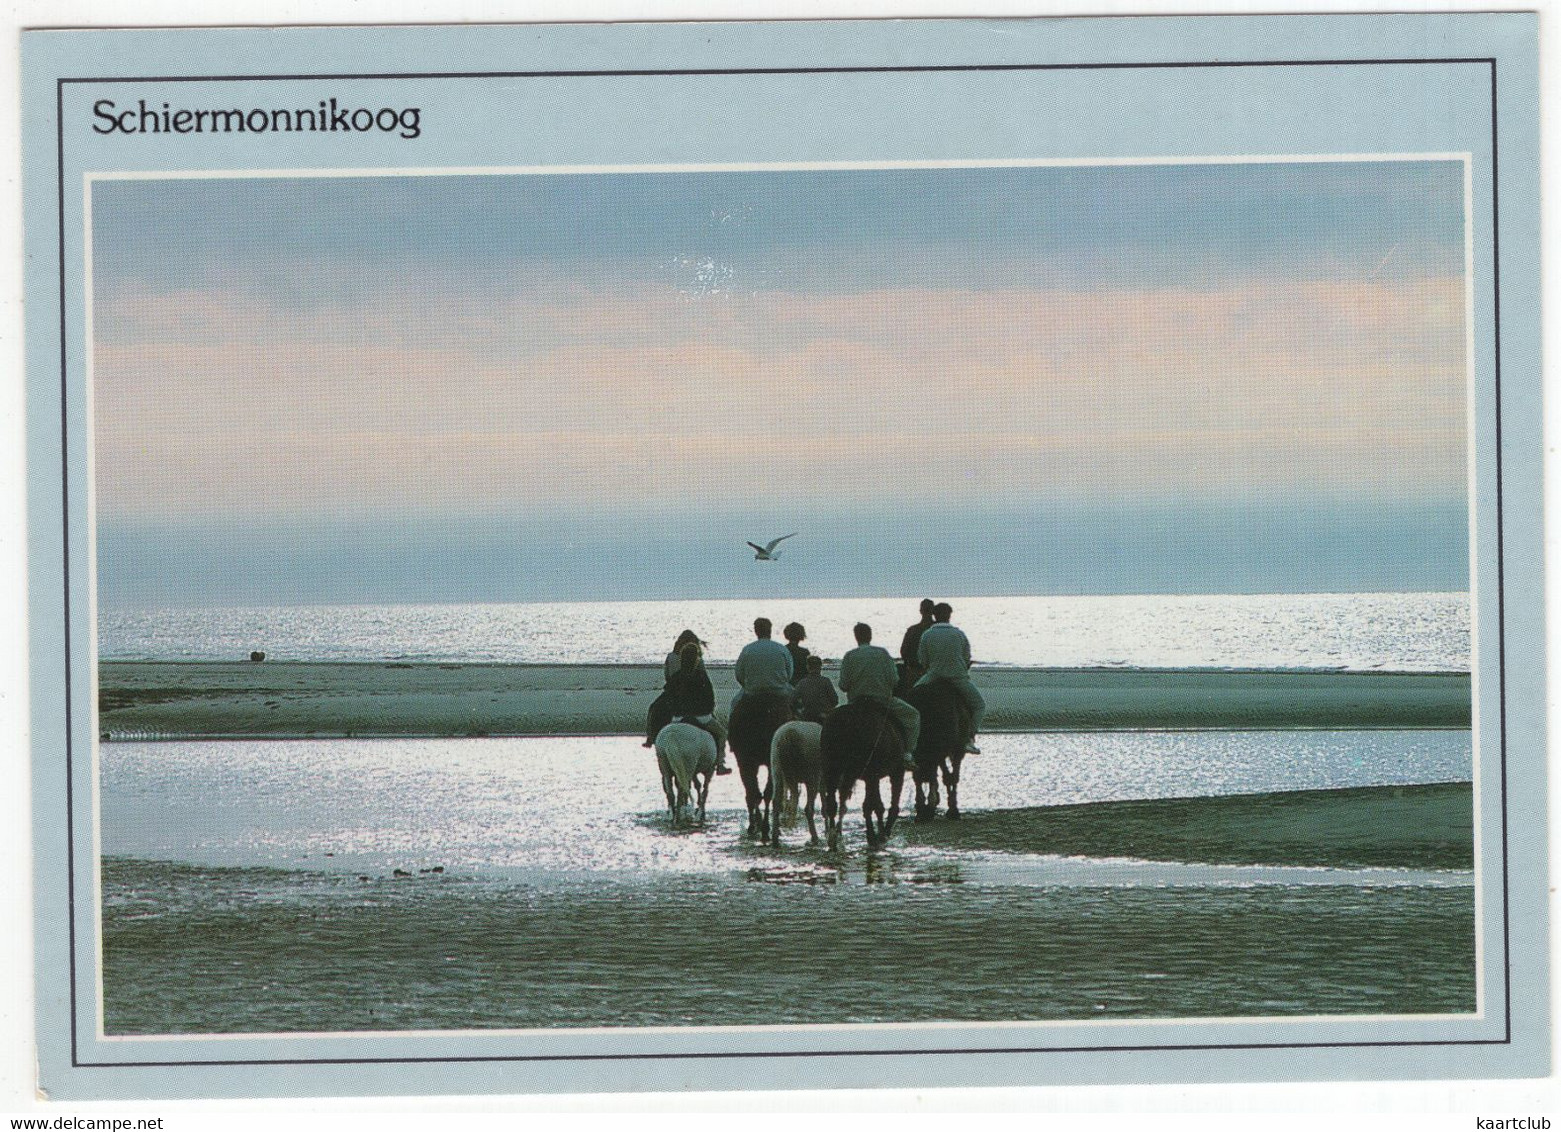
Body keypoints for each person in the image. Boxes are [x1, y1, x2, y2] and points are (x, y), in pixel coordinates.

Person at [838, 622, 920, 769]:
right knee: (913, 716)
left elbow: (843, 685)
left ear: (856, 637)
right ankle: (908, 753)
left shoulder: (850, 655)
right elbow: (894, 680)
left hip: (856, 703)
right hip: (882, 701)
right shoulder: (882, 653)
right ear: (870, 635)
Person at [916, 602, 986, 754]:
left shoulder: (927, 635)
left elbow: (923, 660)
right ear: (949, 616)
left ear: (935, 616)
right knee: (979, 706)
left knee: (912, 698)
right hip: (958, 678)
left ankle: (912, 741)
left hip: (933, 676)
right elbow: (966, 657)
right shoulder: (959, 634)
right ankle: (969, 738)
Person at [663, 640, 731, 774]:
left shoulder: (676, 676)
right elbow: (710, 698)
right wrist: (709, 710)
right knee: (722, 734)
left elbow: (669, 697)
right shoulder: (701, 676)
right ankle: (720, 764)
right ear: (696, 659)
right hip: (701, 717)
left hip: (679, 717)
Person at [645, 629, 703, 747]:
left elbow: (667, 675)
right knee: (715, 724)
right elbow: (702, 678)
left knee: (653, 709)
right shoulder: (698, 660)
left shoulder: (671, 657)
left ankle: (651, 737)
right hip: (692, 693)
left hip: (673, 693)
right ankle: (720, 758)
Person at [732, 617, 793, 712]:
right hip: (779, 691)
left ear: (756, 631)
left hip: (753, 691)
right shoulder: (781, 649)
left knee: (734, 703)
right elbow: (789, 673)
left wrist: (748, 685)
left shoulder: (748, 649)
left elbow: (739, 675)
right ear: (770, 630)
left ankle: (731, 726)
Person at [898, 598, 936, 691]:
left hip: (914, 673)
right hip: (935, 672)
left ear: (920, 611)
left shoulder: (912, 630)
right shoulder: (939, 631)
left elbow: (903, 653)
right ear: (933, 611)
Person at [791, 655, 838, 723]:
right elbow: (835, 700)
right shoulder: (826, 681)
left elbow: (793, 700)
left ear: (808, 667)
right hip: (823, 717)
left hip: (808, 717)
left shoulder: (802, 683)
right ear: (820, 666)